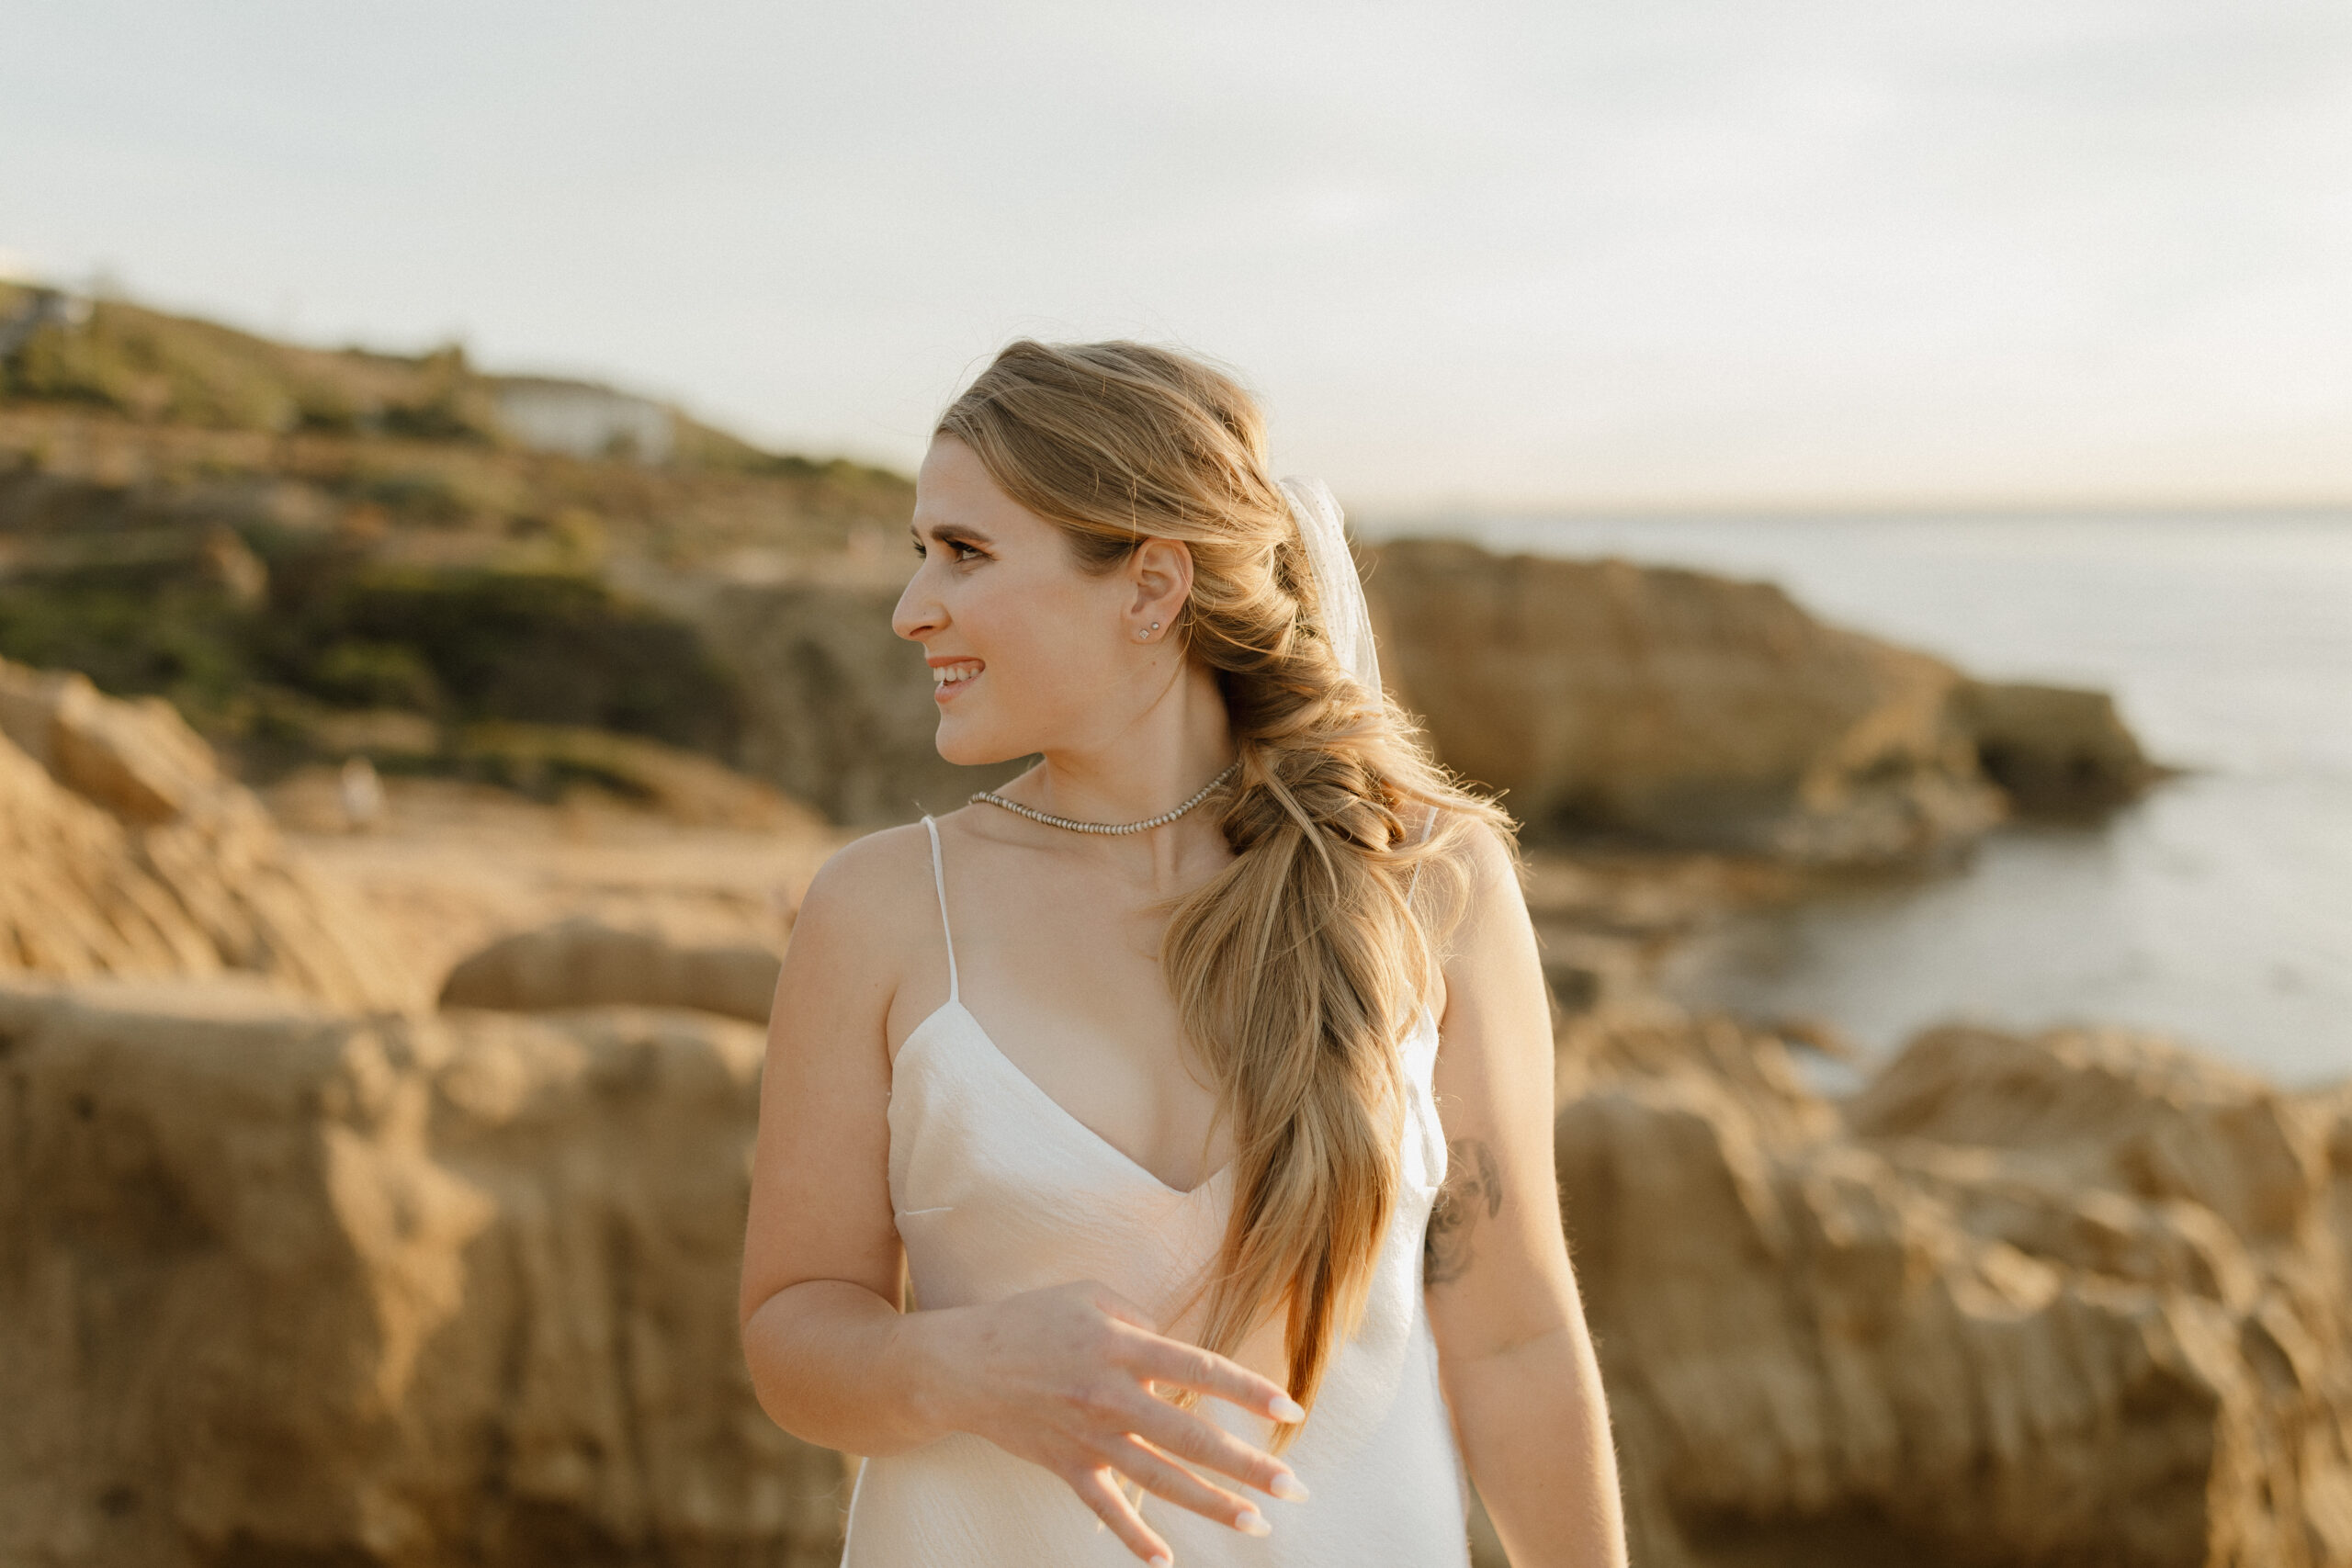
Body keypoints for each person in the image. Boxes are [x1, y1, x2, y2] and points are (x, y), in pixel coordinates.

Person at [739, 340, 1627, 1567]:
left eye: (966, 553)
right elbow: (792, 1332)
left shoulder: (1432, 879)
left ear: (1150, 589)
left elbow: (1517, 1335)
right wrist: (958, 1365)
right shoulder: (882, 909)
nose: (912, 609)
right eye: (921, 552)